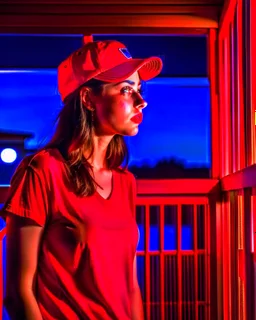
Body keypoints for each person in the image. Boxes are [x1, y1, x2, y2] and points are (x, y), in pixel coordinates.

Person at [1, 36, 163, 320]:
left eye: (139, 88)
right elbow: (18, 293)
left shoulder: (125, 183)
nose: (141, 101)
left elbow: (130, 287)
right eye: (126, 90)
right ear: (88, 99)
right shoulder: (42, 170)